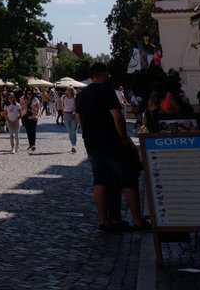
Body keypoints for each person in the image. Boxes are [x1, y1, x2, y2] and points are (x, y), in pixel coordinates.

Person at [74, 63, 148, 233]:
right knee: (128, 178)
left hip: (91, 144)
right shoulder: (106, 92)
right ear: (103, 74)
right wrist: (123, 139)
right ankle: (137, 220)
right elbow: (118, 117)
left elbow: (78, 117)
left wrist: (89, 130)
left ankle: (105, 221)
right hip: (111, 143)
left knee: (100, 181)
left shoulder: (82, 94)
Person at [62, 87, 79, 152]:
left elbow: (77, 107)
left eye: (70, 90)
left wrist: (75, 112)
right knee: (69, 131)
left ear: (72, 91)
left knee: (73, 131)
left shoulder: (75, 98)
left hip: (73, 115)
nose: (68, 91)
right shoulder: (63, 97)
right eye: (67, 90)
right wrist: (63, 110)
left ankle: (74, 146)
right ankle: (73, 144)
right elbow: (62, 105)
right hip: (66, 115)